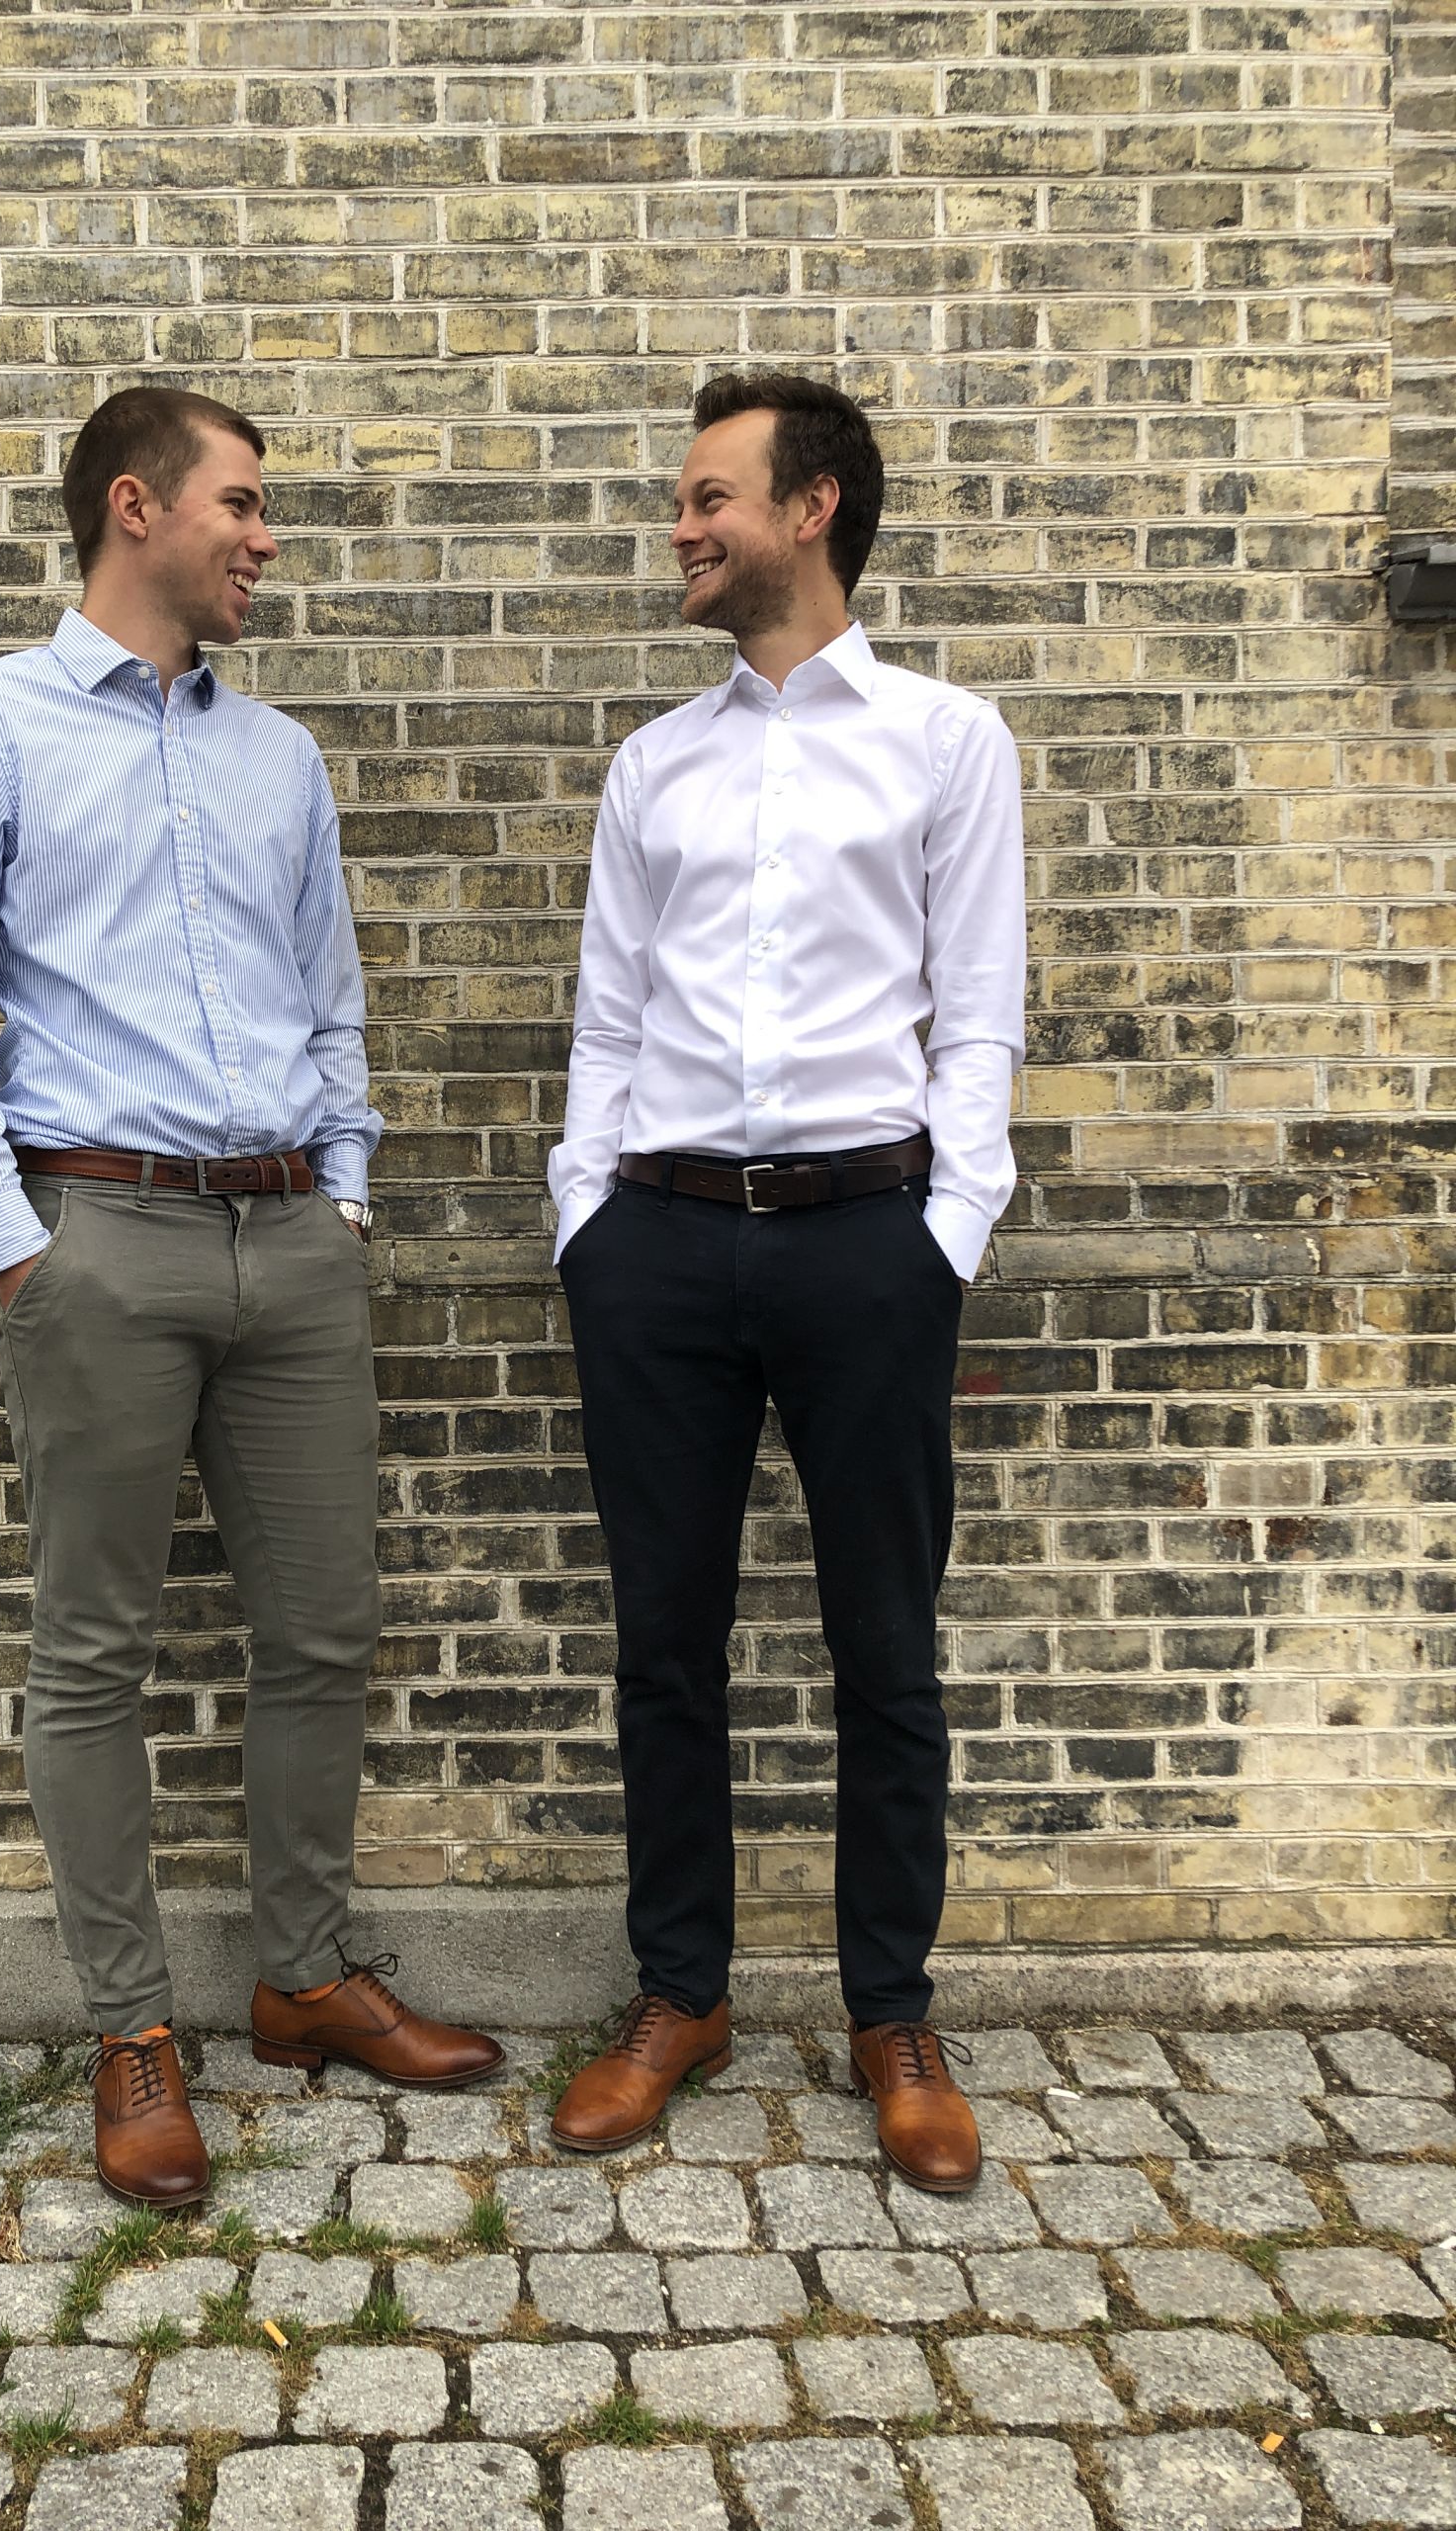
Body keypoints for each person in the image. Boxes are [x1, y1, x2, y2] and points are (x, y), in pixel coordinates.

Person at [0, 387, 503, 2211]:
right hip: (101, 1237)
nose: (266, 538)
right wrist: (17, 1240)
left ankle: (302, 1979)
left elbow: (331, 999)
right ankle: (134, 2030)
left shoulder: (278, 756)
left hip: (293, 1242)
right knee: (96, 1650)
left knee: (324, 1628)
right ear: (134, 507)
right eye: (243, 503)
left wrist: (351, 1192)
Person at [547, 372, 1026, 2191]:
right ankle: (684, 1994)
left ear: (810, 509)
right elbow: (609, 1013)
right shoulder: (652, 765)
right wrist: (585, 1219)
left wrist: (943, 1236)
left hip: (864, 1246)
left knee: (884, 1653)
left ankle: (892, 2011)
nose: (681, 527)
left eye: (707, 495)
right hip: (658, 1246)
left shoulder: (943, 741)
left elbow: (978, 1013)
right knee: (665, 1650)